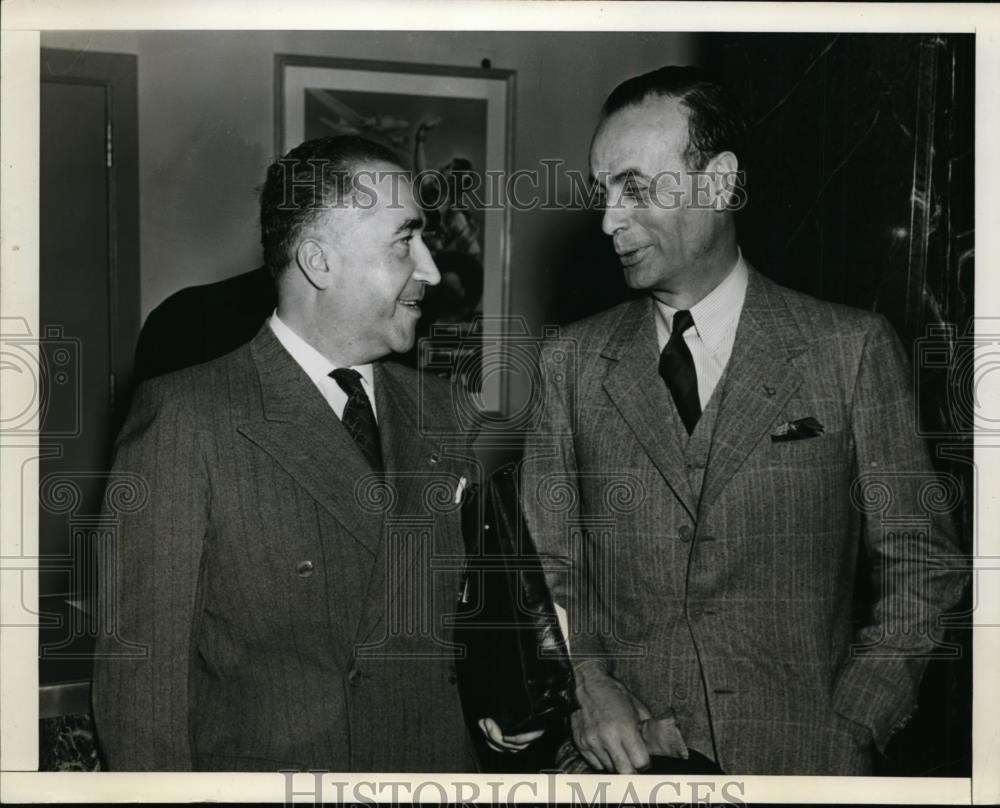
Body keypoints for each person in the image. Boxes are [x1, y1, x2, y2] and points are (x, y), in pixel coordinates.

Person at [521, 66, 968, 776]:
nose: (609, 220)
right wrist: (592, 686)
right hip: (625, 764)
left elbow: (923, 565)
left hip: (803, 764)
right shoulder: (570, 362)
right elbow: (549, 568)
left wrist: (854, 722)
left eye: (634, 188)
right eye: (602, 193)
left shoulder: (848, 350)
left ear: (720, 183)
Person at [92, 135, 488, 771]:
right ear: (318, 262)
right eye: (403, 241)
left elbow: (467, 633)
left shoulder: (445, 411)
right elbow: (142, 699)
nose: (433, 270)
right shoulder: (188, 419)